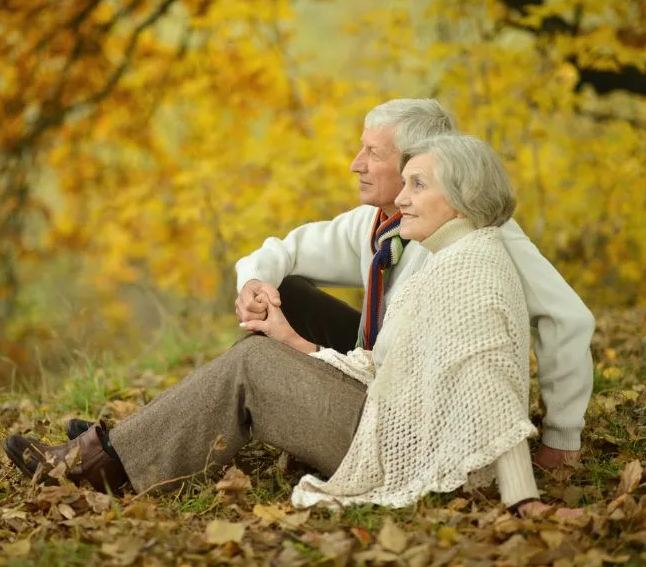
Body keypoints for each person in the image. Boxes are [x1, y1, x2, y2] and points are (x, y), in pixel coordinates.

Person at [4, 134, 579, 518]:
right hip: (390, 415)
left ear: (463, 196)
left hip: (405, 445)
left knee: (252, 366)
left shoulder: (473, 271)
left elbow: (489, 391)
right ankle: (131, 440)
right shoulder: (450, 254)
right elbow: (384, 365)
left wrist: (522, 499)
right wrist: (292, 340)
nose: (399, 198)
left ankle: (106, 464)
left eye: (417, 185)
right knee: (264, 349)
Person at [233, 99, 594, 470]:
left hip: (419, 400)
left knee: (251, 360)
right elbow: (286, 250)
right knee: (286, 293)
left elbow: (567, 317)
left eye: (373, 152)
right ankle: (257, 413)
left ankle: (285, 410)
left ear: (417, 162)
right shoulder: (377, 223)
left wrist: (562, 434)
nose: (355, 164)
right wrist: (255, 285)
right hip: (377, 365)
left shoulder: (482, 231)